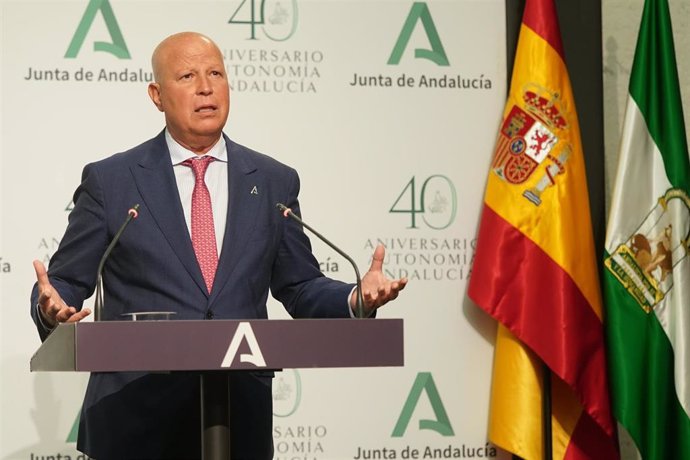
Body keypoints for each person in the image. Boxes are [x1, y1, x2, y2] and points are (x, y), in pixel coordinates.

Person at [30, 31, 406, 459]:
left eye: (215, 74)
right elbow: (62, 282)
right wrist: (51, 306)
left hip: (236, 421)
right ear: (156, 95)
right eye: (188, 75)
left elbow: (300, 285)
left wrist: (356, 297)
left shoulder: (271, 181)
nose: (206, 87)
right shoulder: (112, 181)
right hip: (135, 421)